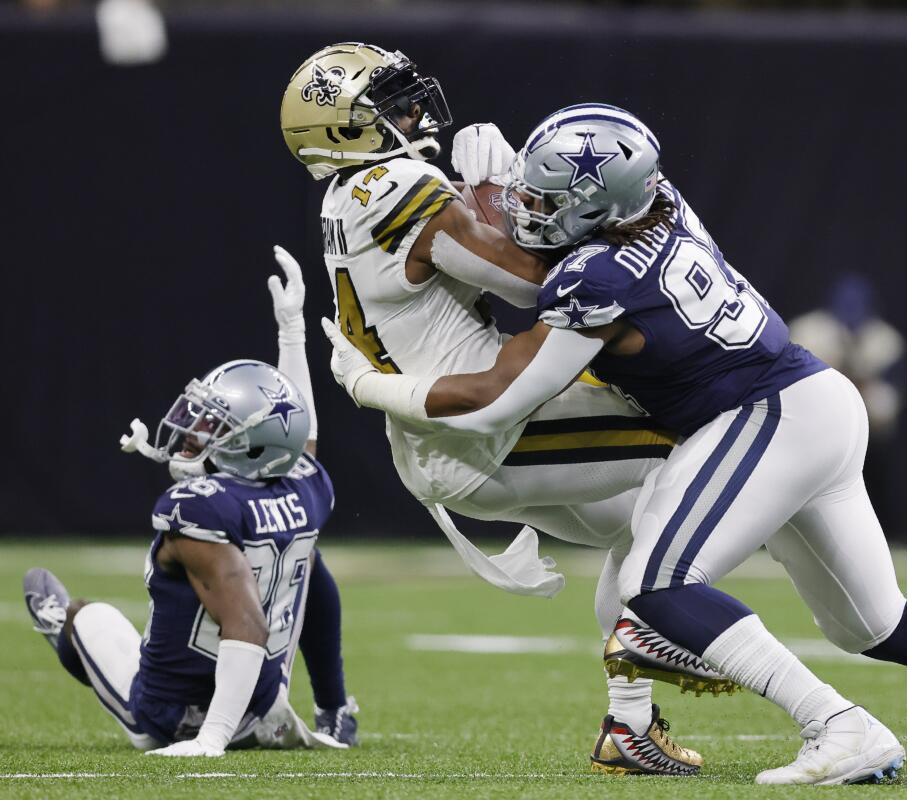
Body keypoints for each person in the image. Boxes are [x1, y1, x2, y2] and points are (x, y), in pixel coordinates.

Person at [323, 104, 907, 783]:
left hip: (768, 418)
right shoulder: (663, 200)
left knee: (656, 582)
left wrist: (369, 384)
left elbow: (495, 399)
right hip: (813, 405)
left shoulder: (595, 279)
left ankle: (839, 726)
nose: (527, 212)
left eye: (546, 201)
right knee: (876, 623)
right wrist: (504, 174)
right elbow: (567, 219)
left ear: (602, 207)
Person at [280, 42, 729, 775]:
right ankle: (682, 639)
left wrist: (480, 192)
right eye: (389, 105)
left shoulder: (351, 192)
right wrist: (492, 187)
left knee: (635, 526)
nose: (413, 112)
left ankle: (631, 724)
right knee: (695, 446)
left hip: (446, 428)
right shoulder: (396, 185)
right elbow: (527, 283)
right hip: (479, 428)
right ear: (344, 131)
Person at [22, 253, 350, 756]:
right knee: (309, 558)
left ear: (253, 446)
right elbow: (300, 434)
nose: (193, 436)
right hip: (263, 703)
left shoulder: (198, 506)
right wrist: (291, 334)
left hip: (178, 716)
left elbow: (247, 624)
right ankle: (334, 707)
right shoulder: (308, 485)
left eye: (213, 428)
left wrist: (212, 739)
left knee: (85, 618)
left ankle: (61, 630)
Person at [788, 274, 906, 527]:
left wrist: (858, 386)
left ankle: (880, 527)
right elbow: (792, 394)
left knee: (874, 450)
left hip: (865, 435)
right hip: (812, 430)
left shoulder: (887, 343)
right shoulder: (807, 332)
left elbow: (886, 410)